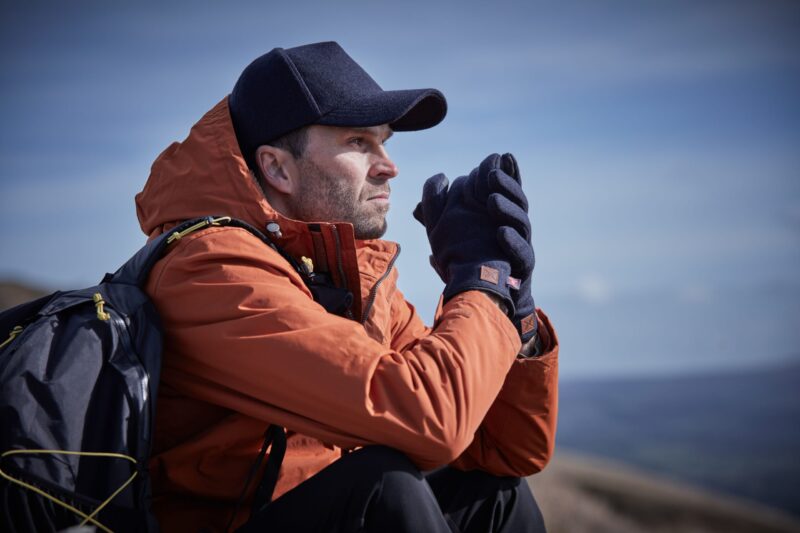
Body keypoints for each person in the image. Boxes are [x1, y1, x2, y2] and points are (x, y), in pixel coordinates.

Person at [135, 41, 559, 532]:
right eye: (359, 142)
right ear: (277, 168)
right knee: (383, 487)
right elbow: (431, 420)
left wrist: (516, 317)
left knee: (493, 493)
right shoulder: (212, 269)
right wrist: (482, 285)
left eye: (384, 142)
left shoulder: (346, 276)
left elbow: (506, 450)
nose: (388, 165)